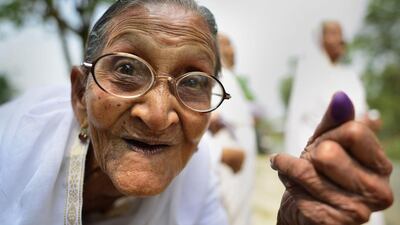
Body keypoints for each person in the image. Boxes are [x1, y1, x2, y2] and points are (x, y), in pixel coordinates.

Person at [0, 2, 393, 225]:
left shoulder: (198, 171)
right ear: (78, 93)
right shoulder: (9, 150)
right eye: (126, 69)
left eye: (192, 82)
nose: (157, 116)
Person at [284, 20, 386, 224]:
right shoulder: (309, 71)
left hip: (358, 158)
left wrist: (368, 122)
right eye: (333, 33)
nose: (341, 39)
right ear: (321, 39)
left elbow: (362, 111)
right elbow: (298, 121)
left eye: (341, 34)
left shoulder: (350, 75)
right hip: (326, 161)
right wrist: (301, 170)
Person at [208, 33, 256, 225]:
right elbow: (211, 117)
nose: (231, 50)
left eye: (232, 45)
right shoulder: (214, 77)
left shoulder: (232, 79)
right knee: (227, 206)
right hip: (226, 153)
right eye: (225, 45)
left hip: (243, 153)